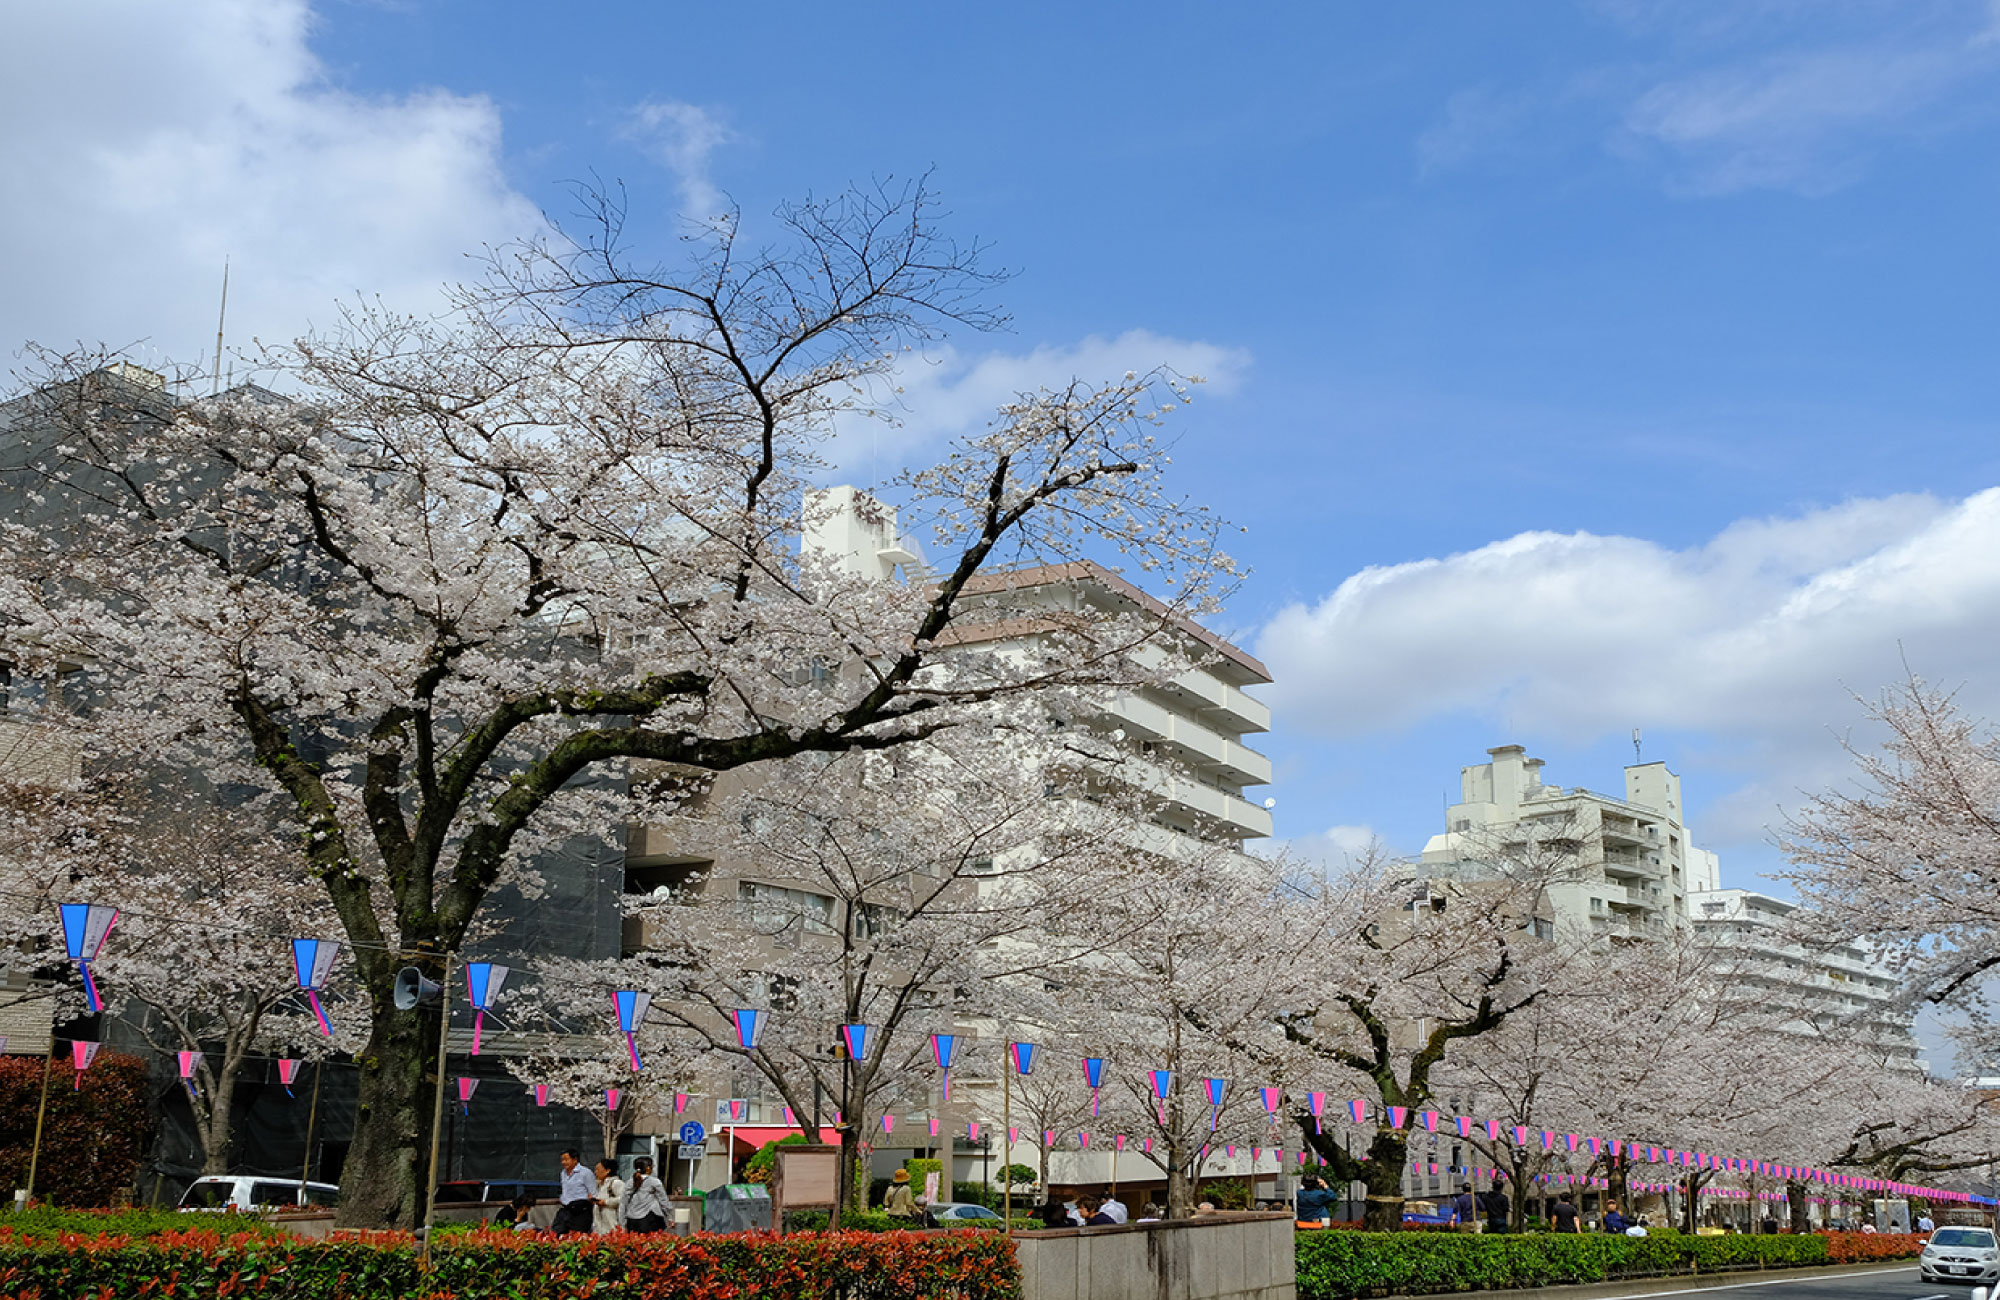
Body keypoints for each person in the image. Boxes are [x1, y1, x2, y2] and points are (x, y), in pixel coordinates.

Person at [554, 1150, 596, 1235]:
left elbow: (593, 1192)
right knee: (556, 1234)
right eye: (562, 1160)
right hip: (565, 1210)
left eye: (566, 1159)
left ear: (575, 1160)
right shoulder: (563, 1173)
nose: (563, 1162)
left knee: (577, 1237)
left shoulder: (586, 1173)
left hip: (580, 1211)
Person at [626, 1157, 668, 1234]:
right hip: (649, 1218)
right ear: (648, 1168)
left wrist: (622, 1222)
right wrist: (670, 1217)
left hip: (631, 1219)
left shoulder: (629, 1182)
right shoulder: (655, 1182)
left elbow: (623, 1202)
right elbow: (664, 1201)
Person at [592, 1159, 626, 1234]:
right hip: (599, 1226)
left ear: (607, 1171)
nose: (595, 1172)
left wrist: (606, 1202)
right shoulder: (600, 1185)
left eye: (598, 1169)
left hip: (612, 1225)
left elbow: (623, 1199)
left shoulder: (616, 1183)